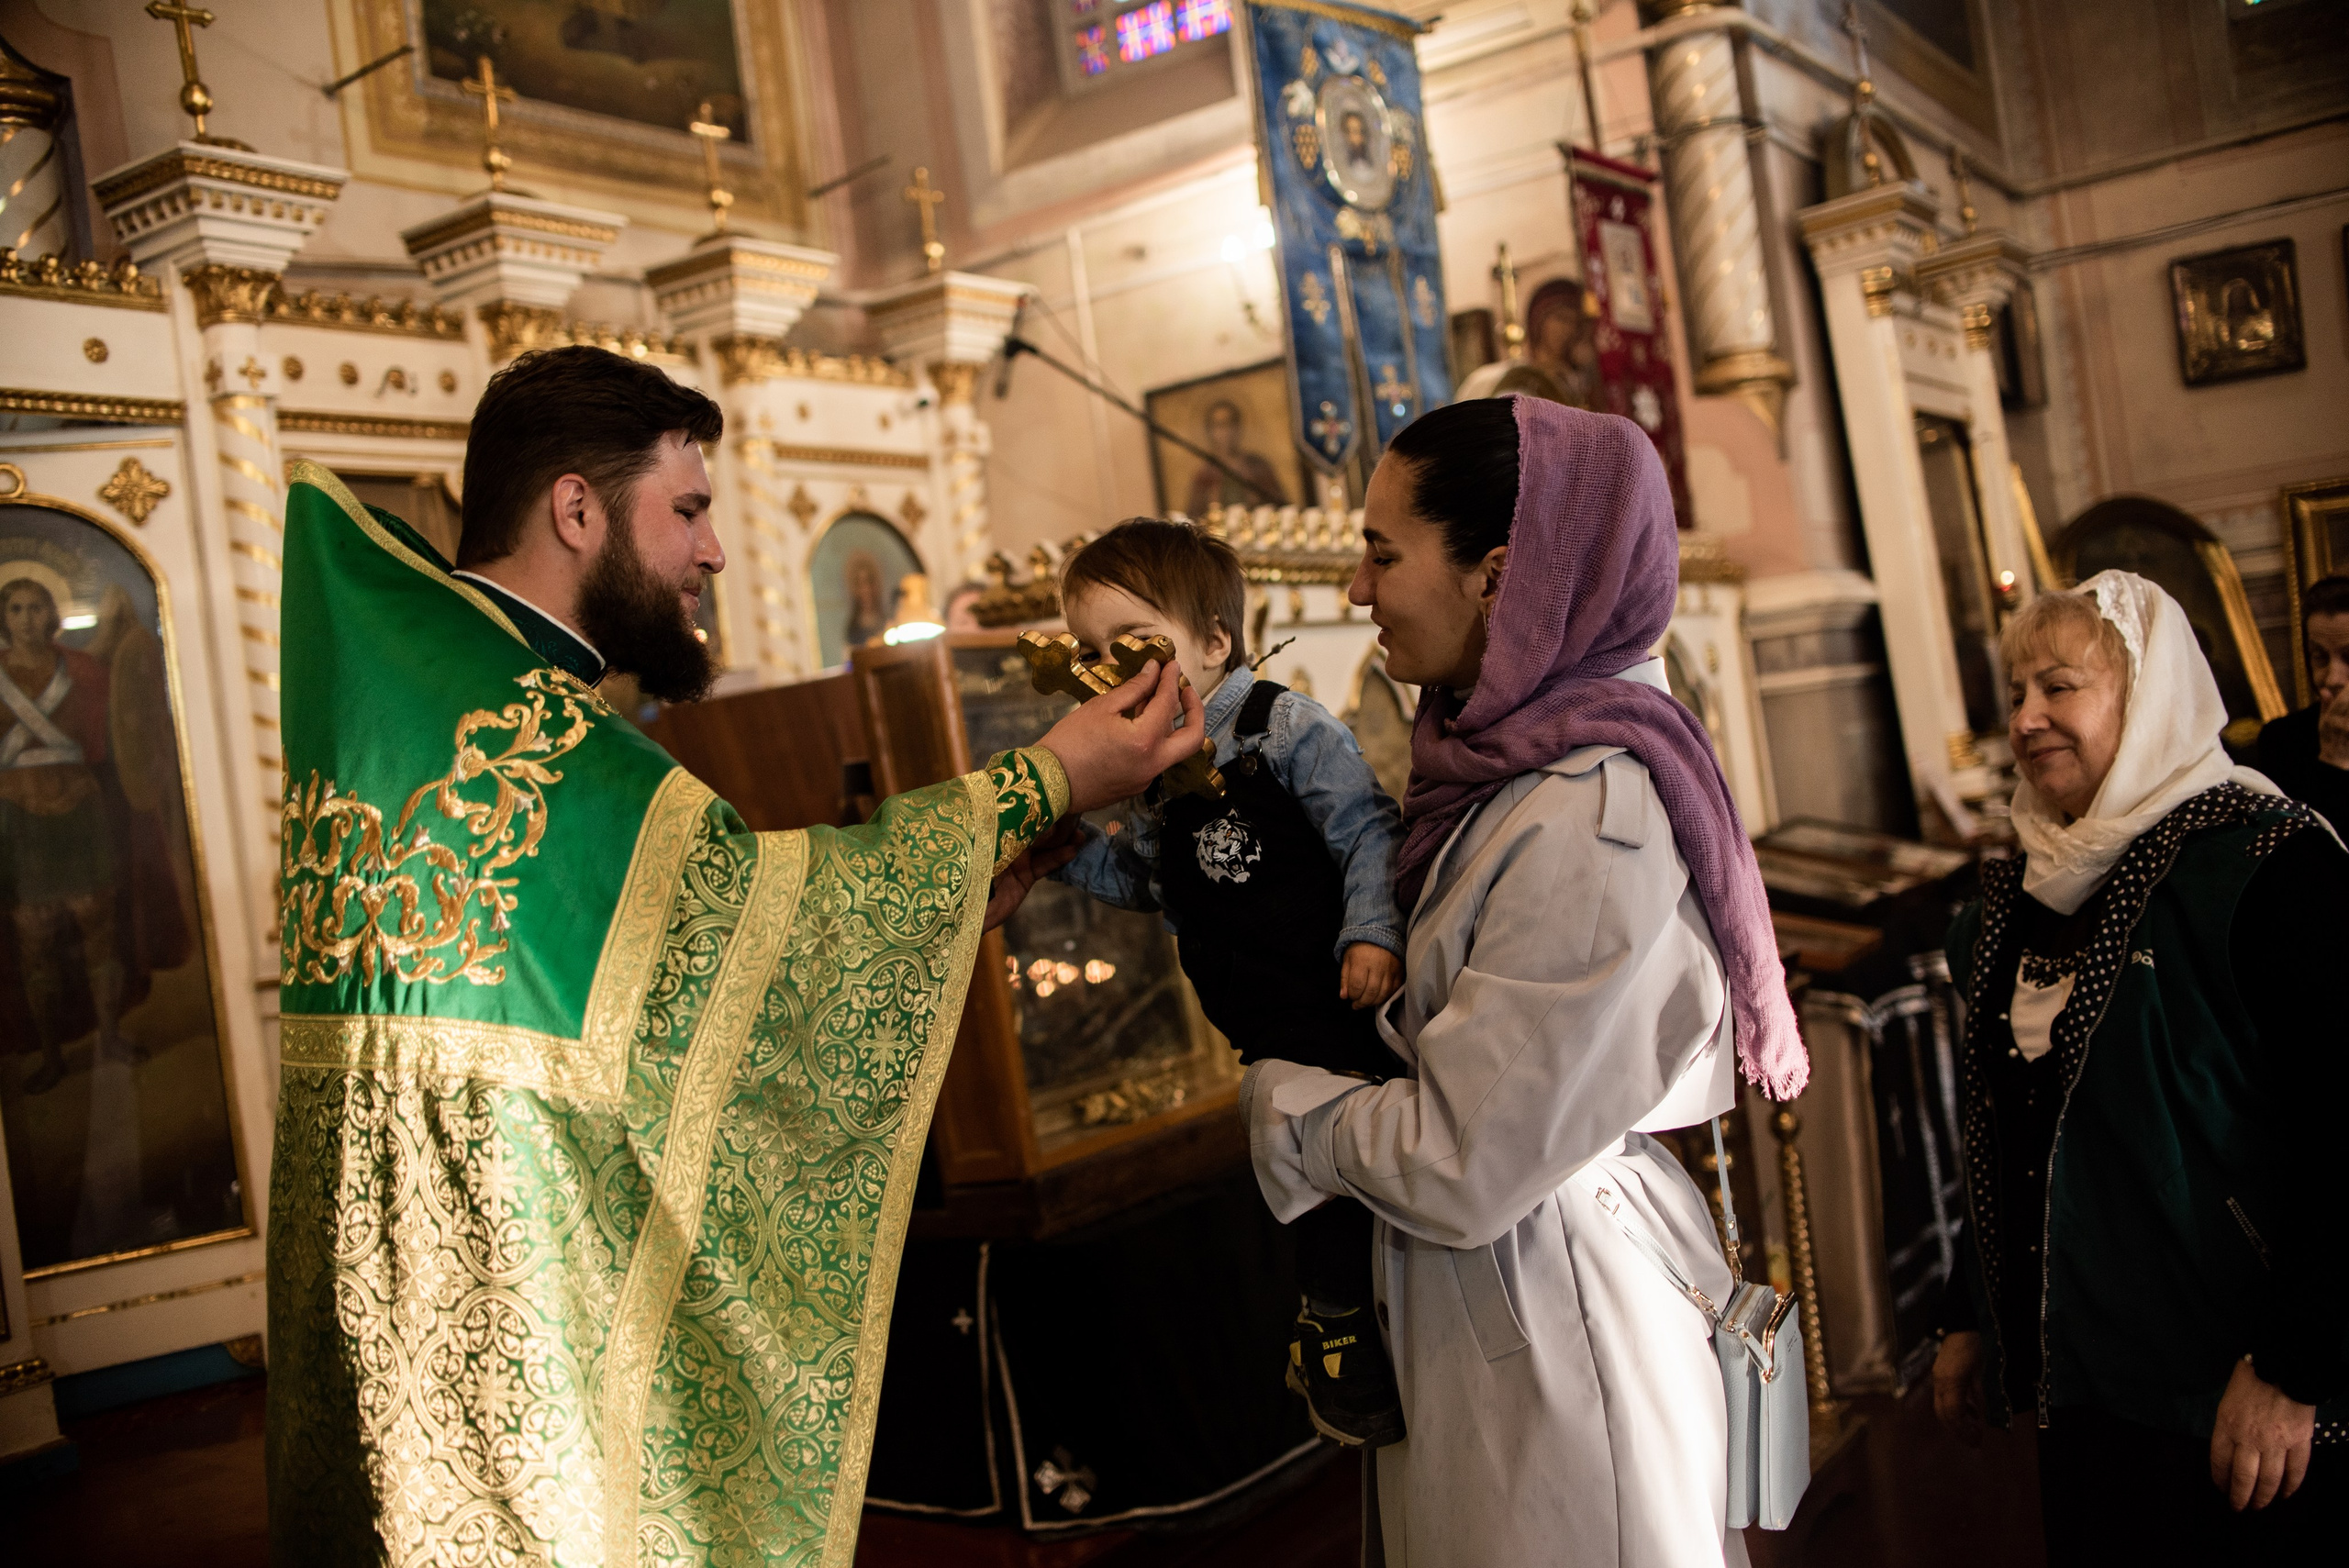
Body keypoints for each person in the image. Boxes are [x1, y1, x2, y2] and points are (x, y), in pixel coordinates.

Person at [264, 345, 1206, 1566]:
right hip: (512, 1417)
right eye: (691, 509)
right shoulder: (535, 738)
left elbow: (677, 998)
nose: (713, 551)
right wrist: (1047, 776)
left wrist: (946, 897)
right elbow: (748, 917)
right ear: (576, 508)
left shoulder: (422, 693)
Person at [1242, 395, 1808, 1565]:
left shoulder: (1588, 815)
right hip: (1510, 1294)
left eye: (1381, 552)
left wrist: (1289, 1113)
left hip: (1561, 1322)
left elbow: (1464, 1160)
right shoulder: (1506, 776)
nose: (1356, 587)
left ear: (1499, 574)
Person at [1930, 573, 2347, 1564]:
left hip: (2243, 1396)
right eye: (2016, 690)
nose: (2027, 718)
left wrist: (2292, 1366)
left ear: (2147, 694)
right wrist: (1970, 1310)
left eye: (2060, 687)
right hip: (2085, 1388)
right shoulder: (2020, 892)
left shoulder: (2269, 867)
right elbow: (2018, 1122)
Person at [1049, 518, 1408, 1448]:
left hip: (1334, 997)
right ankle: (1332, 1320)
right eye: (1090, 654)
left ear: (1213, 642)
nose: (1110, 672)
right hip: (1258, 1023)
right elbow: (1149, 878)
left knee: (1348, 1173)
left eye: (1132, 645)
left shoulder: (1282, 727)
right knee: (1303, 1166)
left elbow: (1365, 831)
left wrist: (1369, 933)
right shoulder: (1153, 771)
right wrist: (1064, 851)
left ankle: (1338, 1324)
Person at [2254, 572, 2349, 831]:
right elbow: (2303, 858)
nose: (2331, 678)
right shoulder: (2281, 741)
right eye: (2319, 657)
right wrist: (2333, 760)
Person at [1185, 399, 1288, 515]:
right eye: (1219, 425)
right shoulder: (1205, 475)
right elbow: (1194, 516)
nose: (1225, 432)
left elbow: (1280, 505)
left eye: (1230, 424)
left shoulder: (1257, 465)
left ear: (1238, 428)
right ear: (1210, 431)